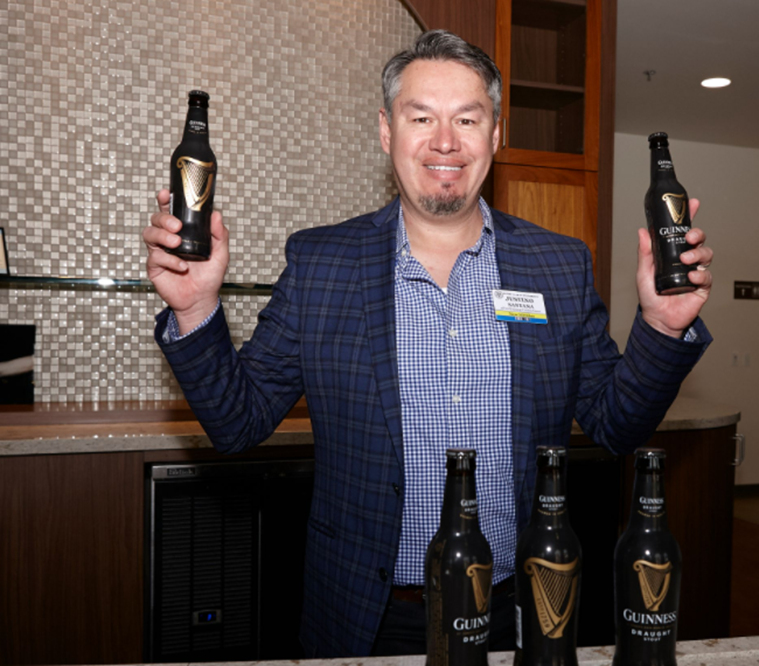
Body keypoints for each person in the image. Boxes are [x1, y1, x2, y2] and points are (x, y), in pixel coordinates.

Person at [143, 30, 713, 659]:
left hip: (520, 611)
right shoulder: (322, 263)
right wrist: (195, 309)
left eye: (467, 119)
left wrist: (664, 327)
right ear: (387, 131)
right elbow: (237, 423)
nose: (446, 141)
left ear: (495, 134)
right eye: (422, 118)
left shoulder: (558, 265)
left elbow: (615, 425)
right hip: (367, 614)